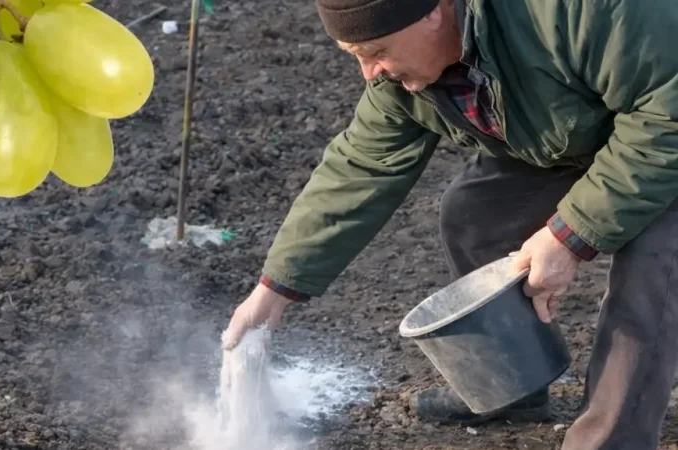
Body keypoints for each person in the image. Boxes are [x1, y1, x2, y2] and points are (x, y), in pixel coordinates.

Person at [222, 0, 678, 448]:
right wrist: (275, 289)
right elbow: (362, 166)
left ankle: (614, 438)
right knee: (475, 215)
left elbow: (666, 119)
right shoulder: (401, 78)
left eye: (376, 51)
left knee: (652, 267)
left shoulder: (579, 11)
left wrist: (568, 236)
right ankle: (512, 386)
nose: (369, 72)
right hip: (593, 126)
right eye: (356, 56)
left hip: (663, 128)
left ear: (433, 11)